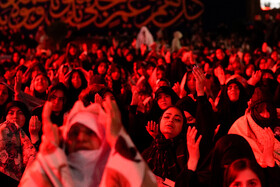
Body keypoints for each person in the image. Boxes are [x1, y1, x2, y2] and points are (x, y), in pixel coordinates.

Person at [19, 96, 157, 186]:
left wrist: (119, 140)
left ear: (104, 139)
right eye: (74, 133)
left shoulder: (115, 176)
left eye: (90, 132)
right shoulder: (54, 170)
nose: (82, 137)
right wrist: (48, 153)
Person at [228, 87, 280, 167]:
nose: (266, 115)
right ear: (254, 110)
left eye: (268, 110)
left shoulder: (277, 119)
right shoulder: (240, 127)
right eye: (261, 112)